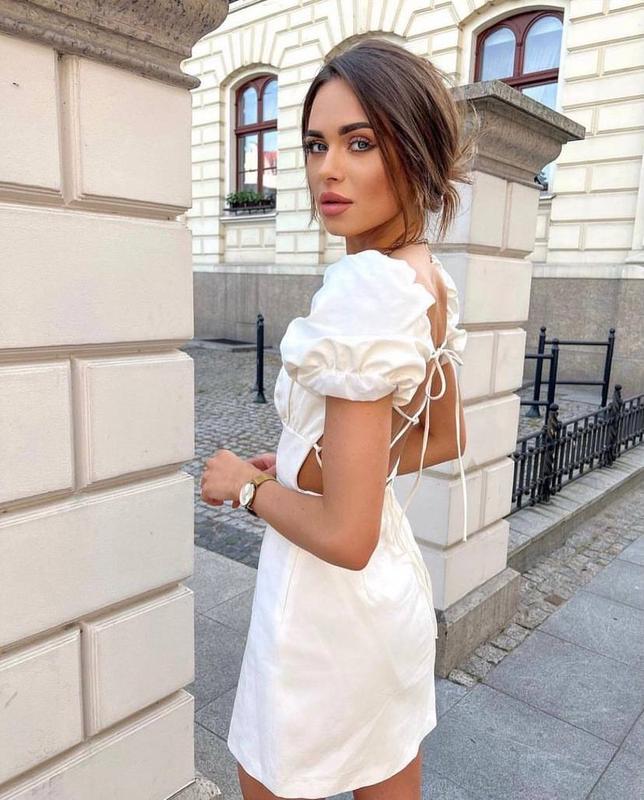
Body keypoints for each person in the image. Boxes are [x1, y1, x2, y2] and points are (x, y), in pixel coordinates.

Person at [200, 37, 476, 800]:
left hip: (323, 611)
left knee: (267, 778)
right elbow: (444, 435)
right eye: (317, 144)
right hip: (388, 598)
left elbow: (345, 539)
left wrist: (247, 487)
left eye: (360, 143)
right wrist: (309, 467)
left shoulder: (367, 292)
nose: (328, 168)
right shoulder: (424, 276)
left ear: (415, 152)